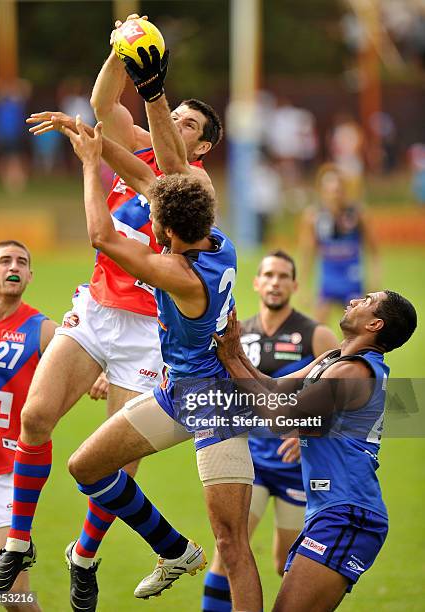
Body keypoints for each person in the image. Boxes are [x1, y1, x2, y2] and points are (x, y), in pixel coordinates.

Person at [0, 13, 223, 600]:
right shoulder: (133, 149)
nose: (172, 124)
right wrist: (123, 45)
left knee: (116, 463)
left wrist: (154, 95)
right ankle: (17, 543)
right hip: (95, 310)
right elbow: (102, 102)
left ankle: (84, 556)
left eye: (190, 123)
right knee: (35, 417)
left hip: (148, 330)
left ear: (206, 143)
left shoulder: (193, 184)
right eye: (174, 116)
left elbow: (164, 167)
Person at [63, 118, 262, 612]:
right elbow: (151, 181)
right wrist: (101, 142)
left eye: (154, 218)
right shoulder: (216, 240)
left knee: (232, 544)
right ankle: (173, 548)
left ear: (167, 229)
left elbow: (102, 237)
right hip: (180, 392)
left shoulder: (177, 271)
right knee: (86, 465)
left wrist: (91, 167)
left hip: (214, 402)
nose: (147, 219)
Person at [213, 289, 417, 611]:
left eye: (365, 301)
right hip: (330, 511)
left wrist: (229, 360)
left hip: (348, 515)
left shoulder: (354, 372)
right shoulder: (335, 359)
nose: (352, 301)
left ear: (375, 324)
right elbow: (275, 387)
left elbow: (280, 419)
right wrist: (235, 352)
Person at [202, 251, 339, 611]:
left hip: (299, 470)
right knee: (227, 550)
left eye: (283, 276)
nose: (276, 282)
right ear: (257, 283)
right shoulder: (236, 335)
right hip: (252, 465)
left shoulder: (317, 335)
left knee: (285, 565)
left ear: (295, 285)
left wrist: (308, 429)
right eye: (269, 275)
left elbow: (345, 398)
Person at [0, 241, 57, 612]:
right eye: (5, 260)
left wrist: (98, 377)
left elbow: (83, 363)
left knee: (10, 595)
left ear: (29, 276)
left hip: (6, 474)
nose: (14, 266)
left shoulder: (42, 331)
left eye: (22, 262)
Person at [299, 163, 381, 325]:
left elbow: (374, 251)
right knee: (318, 330)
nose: (334, 194)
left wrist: (375, 282)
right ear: (321, 191)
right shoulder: (313, 216)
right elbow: (307, 253)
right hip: (327, 283)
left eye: (337, 189)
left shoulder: (358, 214)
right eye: (329, 190)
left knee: (356, 331)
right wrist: (303, 288)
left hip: (352, 281)